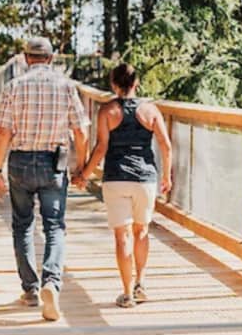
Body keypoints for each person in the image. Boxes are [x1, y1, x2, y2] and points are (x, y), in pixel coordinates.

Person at [0, 37, 89, 321]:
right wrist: (81, 167)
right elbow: (81, 133)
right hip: (53, 162)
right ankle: (51, 283)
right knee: (55, 227)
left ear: (25, 58)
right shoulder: (66, 86)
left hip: (20, 161)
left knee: (22, 225)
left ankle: (31, 290)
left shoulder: (14, 86)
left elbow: (2, 133)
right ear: (51, 57)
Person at [73, 63, 172, 308]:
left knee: (122, 236)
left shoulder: (107, 111)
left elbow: (101, 148)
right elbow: (166, 146)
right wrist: (167, 176)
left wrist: (84, 174)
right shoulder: (151, 110)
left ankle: (127, 294)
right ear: (136, 83)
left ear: (114, 85)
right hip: (145, 179)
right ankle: (141, 284)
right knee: (142, 231)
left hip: (116, 178)